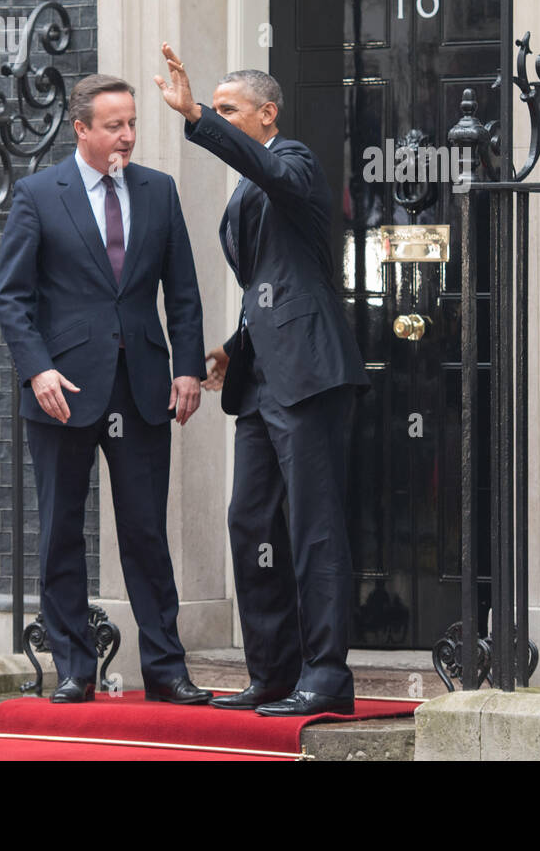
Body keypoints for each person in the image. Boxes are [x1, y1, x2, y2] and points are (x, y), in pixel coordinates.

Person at [154, 44, 370, 716]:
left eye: (228, 110)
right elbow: (267, 287)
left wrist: (194, 116)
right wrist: (230, 348)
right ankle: (272, 671)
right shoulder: (249, 187)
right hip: (260, 383)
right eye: (214, 109)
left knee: (314, 529)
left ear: (266, 113)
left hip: (310, 376)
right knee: (250, 522)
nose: (218, 119)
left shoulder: (294, 164)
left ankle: (326, 674)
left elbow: (266, 169)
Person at [0, 74, 211, 705]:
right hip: (61, 387)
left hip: (142, 385)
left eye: (133, 123)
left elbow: (185, 291)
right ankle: (74, 667)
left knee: (145, 530)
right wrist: (37, 370)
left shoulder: (159, 191)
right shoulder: (39, 194)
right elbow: (13, 298)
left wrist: (189, 367)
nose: (127, 135)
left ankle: (167, 669)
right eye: (114, 124)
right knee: (62, 528)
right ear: (81, 129)